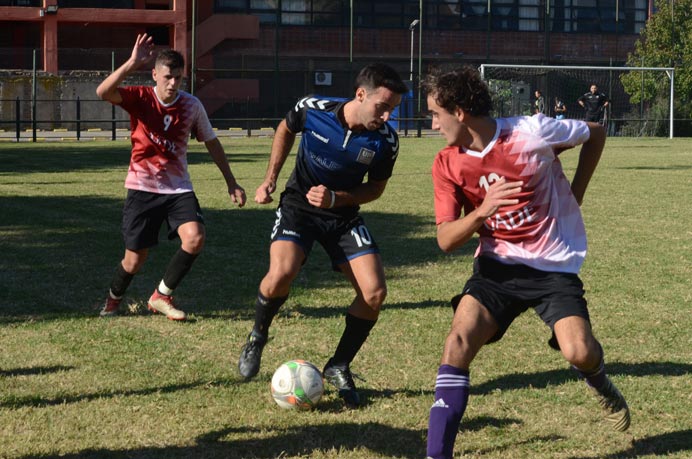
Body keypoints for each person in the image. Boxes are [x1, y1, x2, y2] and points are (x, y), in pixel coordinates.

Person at [421, 66, 630, 459]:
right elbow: (446, 240)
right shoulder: (447, 163)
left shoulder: (531, 132)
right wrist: (482, 212)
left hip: (552, 266)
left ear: (460, 112)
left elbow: (595, 133)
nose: (433, 125)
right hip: (496, 269)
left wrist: (576, 192)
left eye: (436, 114)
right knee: (457, 343)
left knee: (580, 352)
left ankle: (600, 383)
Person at [236, 63, 408, 407]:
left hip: (342, 216)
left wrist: (339, 199)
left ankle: (339, 365)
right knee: (280, 275)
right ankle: (257, 335)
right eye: (382, 106)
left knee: (374, 293)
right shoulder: (313, 109)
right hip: (299, 207)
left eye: (393, 109)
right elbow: (285, 128)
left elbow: (375, 189)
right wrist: (270, 178)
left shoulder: (385, 141)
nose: (387, 116)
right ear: (361, 95)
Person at [96, 33, 246, 320]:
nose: (173, 83)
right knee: (134, 260)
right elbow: (102, 92)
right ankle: (113, 300)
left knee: (195, 238)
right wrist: (131, 63)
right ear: (154, 74)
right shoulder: (140, 97)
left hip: (177, 189)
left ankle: (161, 295)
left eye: (178, 77)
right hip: (142, 188)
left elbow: (212, 141)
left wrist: (231, 181)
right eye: (168, 77)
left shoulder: (191, 105)